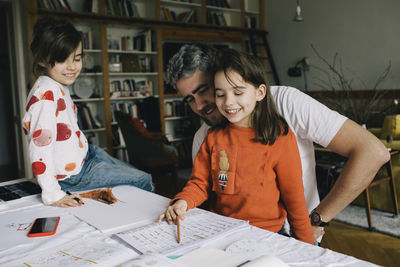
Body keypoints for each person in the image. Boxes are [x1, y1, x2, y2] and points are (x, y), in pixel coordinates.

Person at [163, 43, 390, 240]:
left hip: (288, 233)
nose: (200, 105)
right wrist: (182, 203)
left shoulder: (285, 107)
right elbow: (200, 189)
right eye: (190, 99)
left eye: (204, 91)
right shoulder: (206, 137)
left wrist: (318, 220)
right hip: (230, 237)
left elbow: (373, 152)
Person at [159, 48, 315, 244]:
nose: (229, 102)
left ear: (260, 93)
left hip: (268, 235)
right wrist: (182, 202)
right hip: (220, 231)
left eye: (238, 92)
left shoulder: (280, 137)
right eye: (220, 94)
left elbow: (295, 200)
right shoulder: (212, 137)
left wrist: (308, 246)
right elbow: (199, 184)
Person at [22, 16, 154, 208]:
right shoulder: (44, 96)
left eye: (77, 58)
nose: (72, 67)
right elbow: (39, 150)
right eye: (62, 60)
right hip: (75, 175)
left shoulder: (56, 85)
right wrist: (53, 195)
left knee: (136, 173)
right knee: (143, 180)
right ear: (42, 59)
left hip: (87, 155)